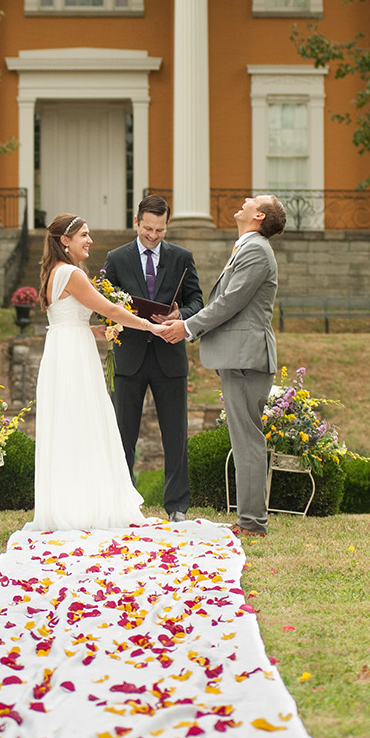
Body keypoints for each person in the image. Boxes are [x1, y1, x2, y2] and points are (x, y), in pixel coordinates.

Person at [156, 195, 286, 538]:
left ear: (258, 215)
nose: (244, 200)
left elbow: (229, 302)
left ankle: (252, 522)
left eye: (252, 200)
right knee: (245, 439)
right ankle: (250, 520)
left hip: (247, 357)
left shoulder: (257, 250)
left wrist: (186, 326)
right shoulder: (248, 247)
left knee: (247, 441)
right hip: (240, 356)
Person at [28, 213, 162, 532]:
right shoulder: (71, 273)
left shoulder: (52, 272)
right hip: (72, 354)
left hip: (66, 345)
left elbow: (68, 320)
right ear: (65, 240)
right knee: (83, 419)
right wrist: (149, 325)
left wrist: (98, 332)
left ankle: (73, 501)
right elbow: (110, 308)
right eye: (84, 235)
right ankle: (85, 504)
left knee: (73, 422)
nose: (90, 241)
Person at [99, 195, 204, 523]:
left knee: (175, 436)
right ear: (136, 222)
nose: (154, 235)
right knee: (122, 435)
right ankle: (124, 504)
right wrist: (123, 315)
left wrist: (180, 315)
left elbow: (197, 301)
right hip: (128, 357)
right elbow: (104, 302)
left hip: (169, 357)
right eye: (148, 228)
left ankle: (177, 507)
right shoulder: (116, 258)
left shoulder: (182, 258)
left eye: (160, 230)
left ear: (166, 225)